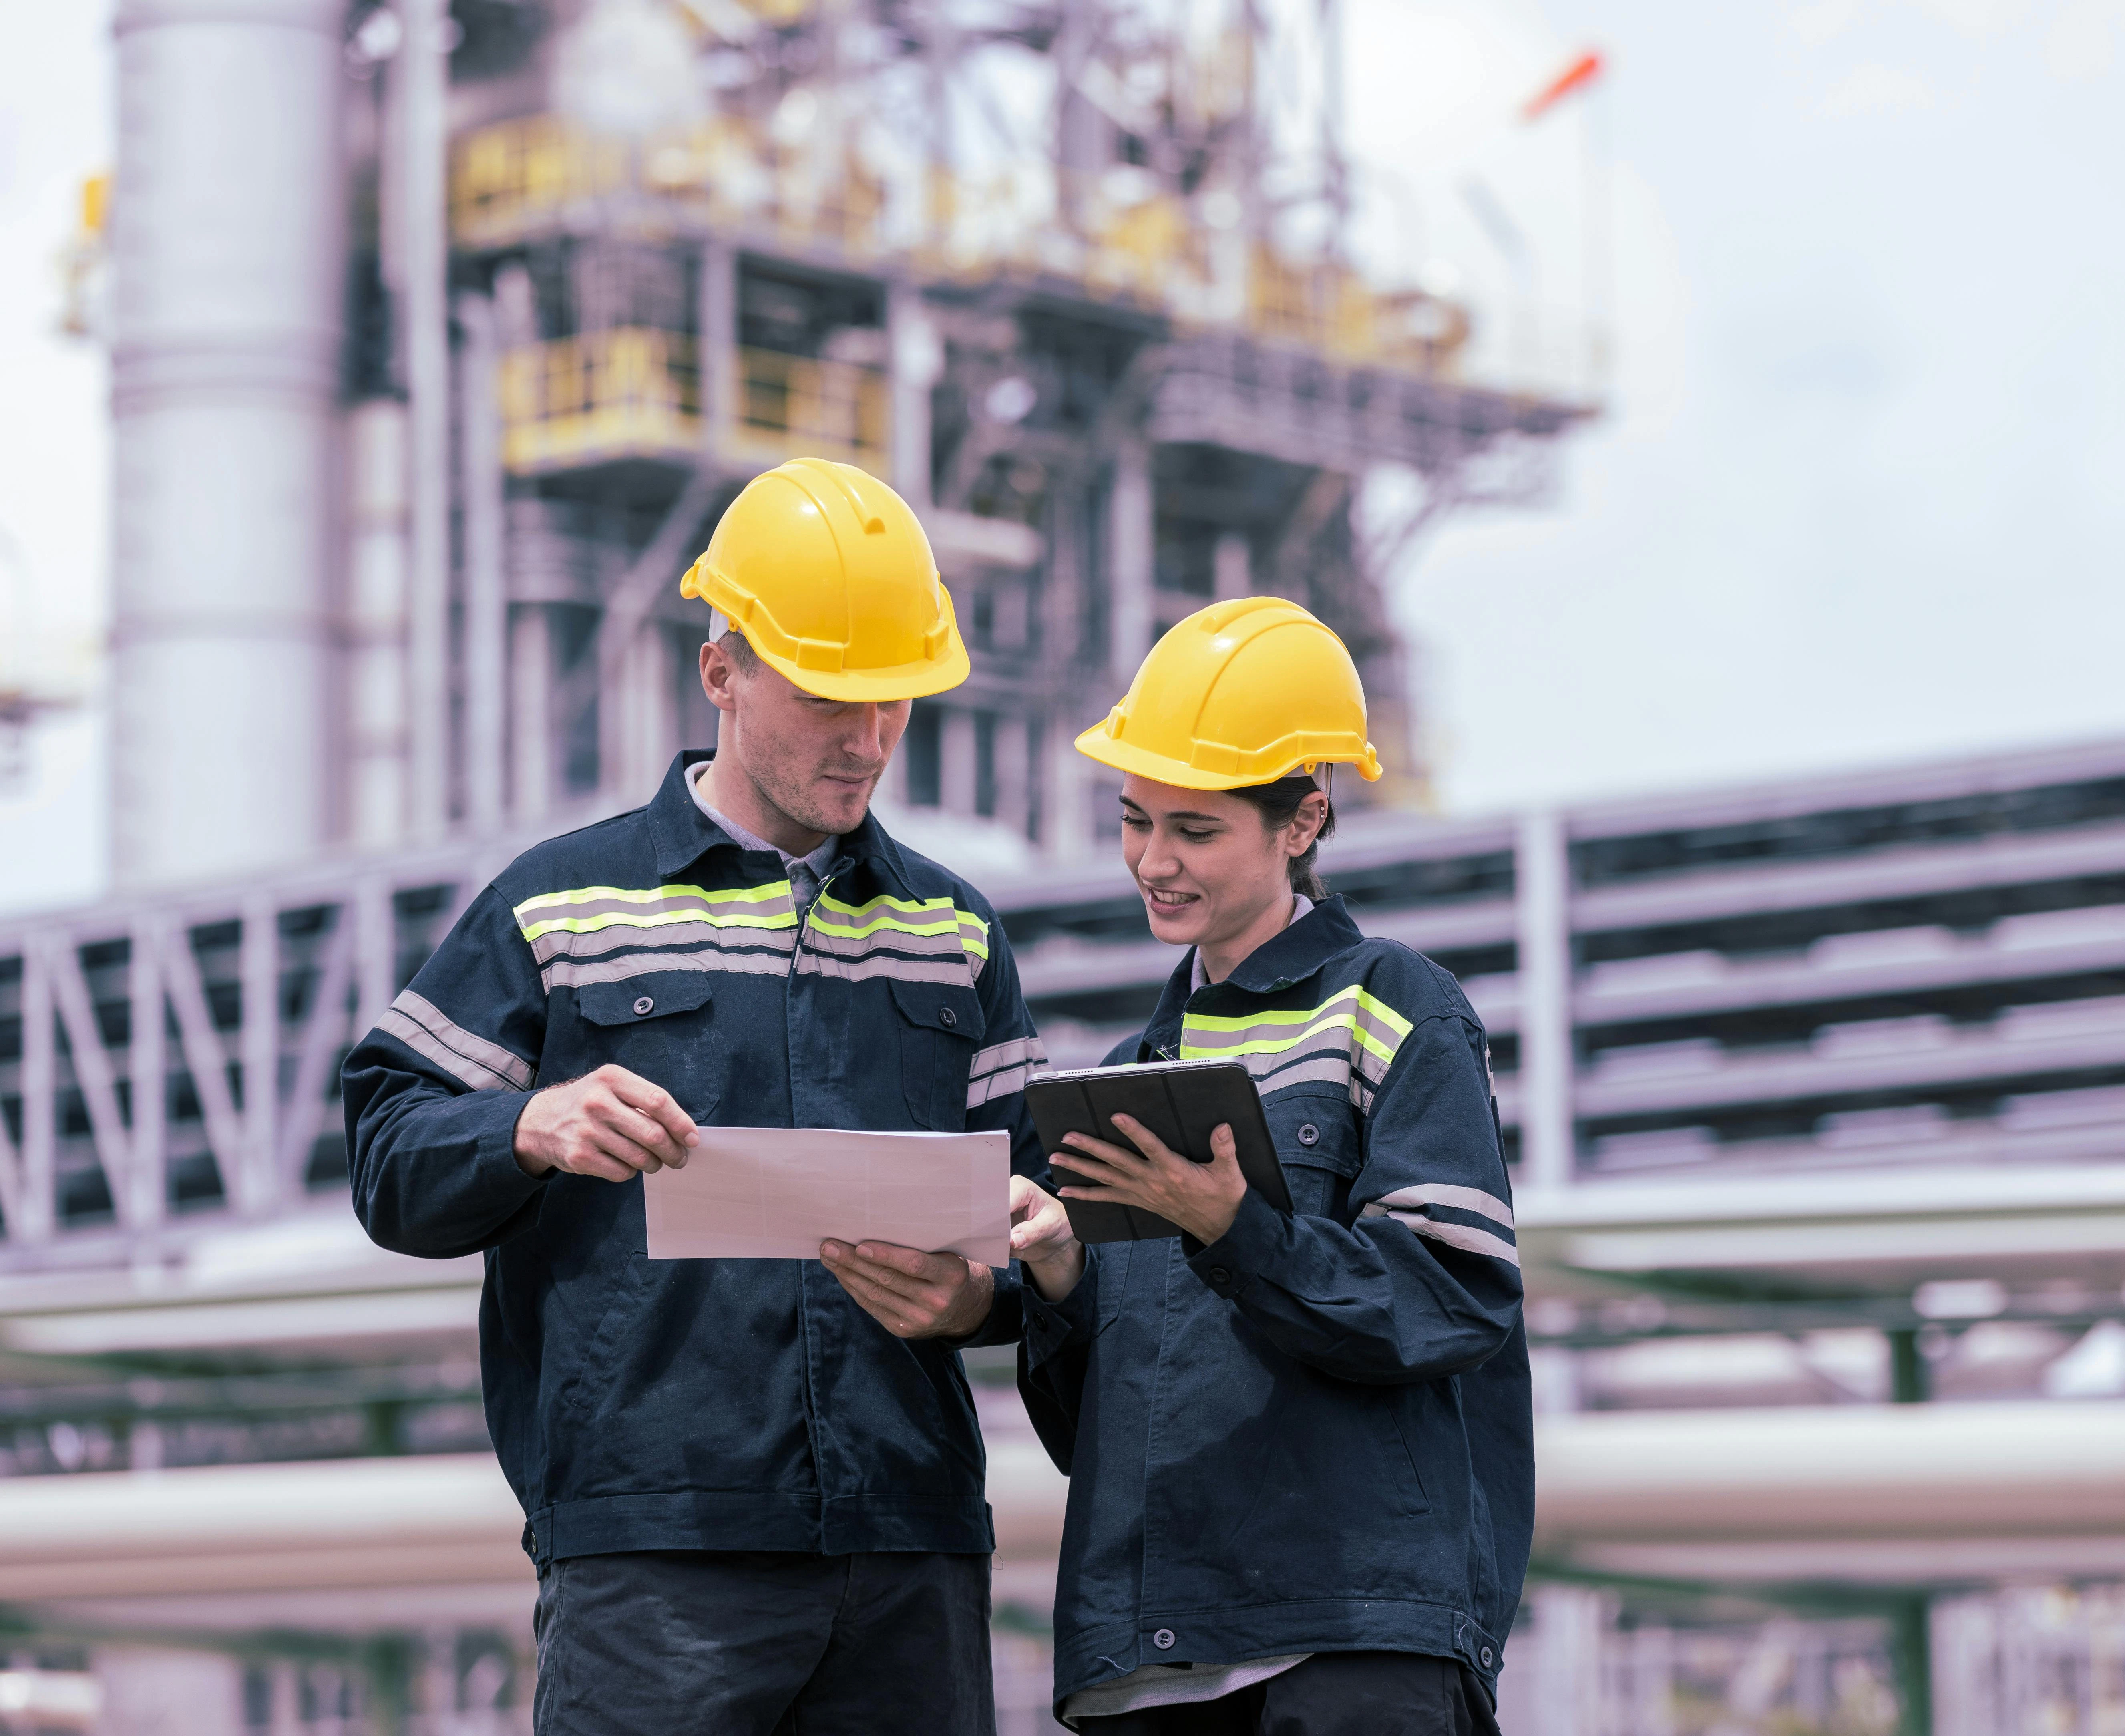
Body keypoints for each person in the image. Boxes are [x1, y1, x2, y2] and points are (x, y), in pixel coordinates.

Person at [343, 457, 1049, 1736]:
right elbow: (389, 1156)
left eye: (893, 698)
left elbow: (1042, 1215)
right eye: (831, 694)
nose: (868, 738)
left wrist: (980, 1293)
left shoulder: (954, 932)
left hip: (907, 1541)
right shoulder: (560, 905)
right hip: (654, 1552)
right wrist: (526, 1126)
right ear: (721, 671)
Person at [1005, 596, 1532, 1736]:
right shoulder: (1127, 1072)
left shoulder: (1395, 1010)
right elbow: (1099, 1422)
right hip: (1149, 1654)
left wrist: (1238, 1227)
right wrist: (1055, 1278)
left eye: (1195, 831)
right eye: (1135, 821)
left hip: (1349, 1639)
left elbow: (1449, 1299)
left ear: (1303, 818)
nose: (1153, 861)